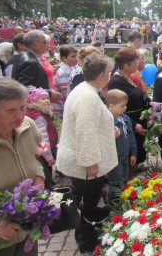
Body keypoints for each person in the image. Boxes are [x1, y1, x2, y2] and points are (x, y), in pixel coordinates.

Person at [57, 53, 117, 253]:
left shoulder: (85, 89)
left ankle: (83, 233)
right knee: (88, 203)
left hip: (81, 159)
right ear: (101, 75)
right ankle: (86, 241)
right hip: (85, 163)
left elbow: (91, 124)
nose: (109, 76)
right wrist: (91, 162)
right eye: (108, 73)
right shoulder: (89, 96)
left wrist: (111, 129)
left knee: (86, 201)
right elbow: (86, 131)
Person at [0, 78, 45, 256]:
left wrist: (39, 178)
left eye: (23, 108)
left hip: (27, 227)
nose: (19, 116)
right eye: (10, 110)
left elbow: (34, 158)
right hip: (1, 237)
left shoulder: (27, 127)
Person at [108, 47, 149, 166]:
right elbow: (115, 108)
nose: (138, 64)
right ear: (126, 65)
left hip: (138, 120)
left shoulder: (128, 76)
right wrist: (134, 124)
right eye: (135, 62)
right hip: (129, 123)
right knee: (130, 157)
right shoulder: (117, 81)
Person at [105, 89, 137, 205]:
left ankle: (123, 203)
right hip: (115, 159)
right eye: (122, 106)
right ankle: (111, 207)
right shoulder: (107, 122)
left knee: (125, 181)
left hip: (125, 156)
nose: (125, 108)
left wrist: (133, 153)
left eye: (126, 105)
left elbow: (131, 137)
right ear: (111, 106)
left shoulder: (126, 119)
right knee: (115, 184)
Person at [11, 30, 61, 103]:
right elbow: (24, 88)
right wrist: (49, 93)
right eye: (44, 42)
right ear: (35, 44)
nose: (47, 45)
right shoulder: (28, 61)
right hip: (34, 106)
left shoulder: (28, 57)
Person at [25, 86, 58, 185]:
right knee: (45, 174)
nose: (47, 101)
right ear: (34, 101)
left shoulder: (41, 113)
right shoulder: (39, 117)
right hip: (43, 153)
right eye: (42, 99)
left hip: (41, 152)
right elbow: (43, 139)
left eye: (47, 98)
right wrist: (49, 157)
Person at [53, 45, 78, 118]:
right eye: (73, 57)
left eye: (77, 56)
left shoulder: (71, 68)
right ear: (64, 58)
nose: (76, 59)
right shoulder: (64, 73)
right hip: (65, 108)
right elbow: (66, 93)